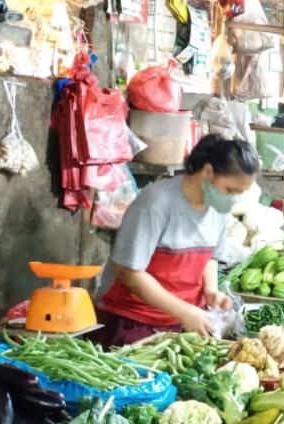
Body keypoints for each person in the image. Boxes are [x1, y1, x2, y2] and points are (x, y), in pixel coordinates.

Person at [93, 135, 259, 347]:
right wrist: (183, 311)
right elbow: (128, 271)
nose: (234, 198)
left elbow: (211, 257)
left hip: (182, 326)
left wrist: (210, 291)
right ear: (207, 172)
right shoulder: (155, 203)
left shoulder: (218, 208)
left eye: (241, 192)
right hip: (131, 322)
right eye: (231, 190)